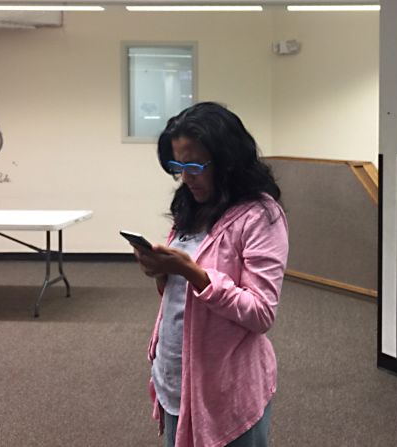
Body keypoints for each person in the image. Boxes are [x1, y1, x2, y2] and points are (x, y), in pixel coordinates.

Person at [132, 102, 288, 447]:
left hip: (226, 385)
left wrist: (194, 274)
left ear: (228, 160)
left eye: (195, 165)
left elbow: (261, 312)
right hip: (177, 375)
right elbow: (179, 296)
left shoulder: (260, 216)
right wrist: (161, 271)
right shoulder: (192, 205)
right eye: (177, 166)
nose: (186, 178)